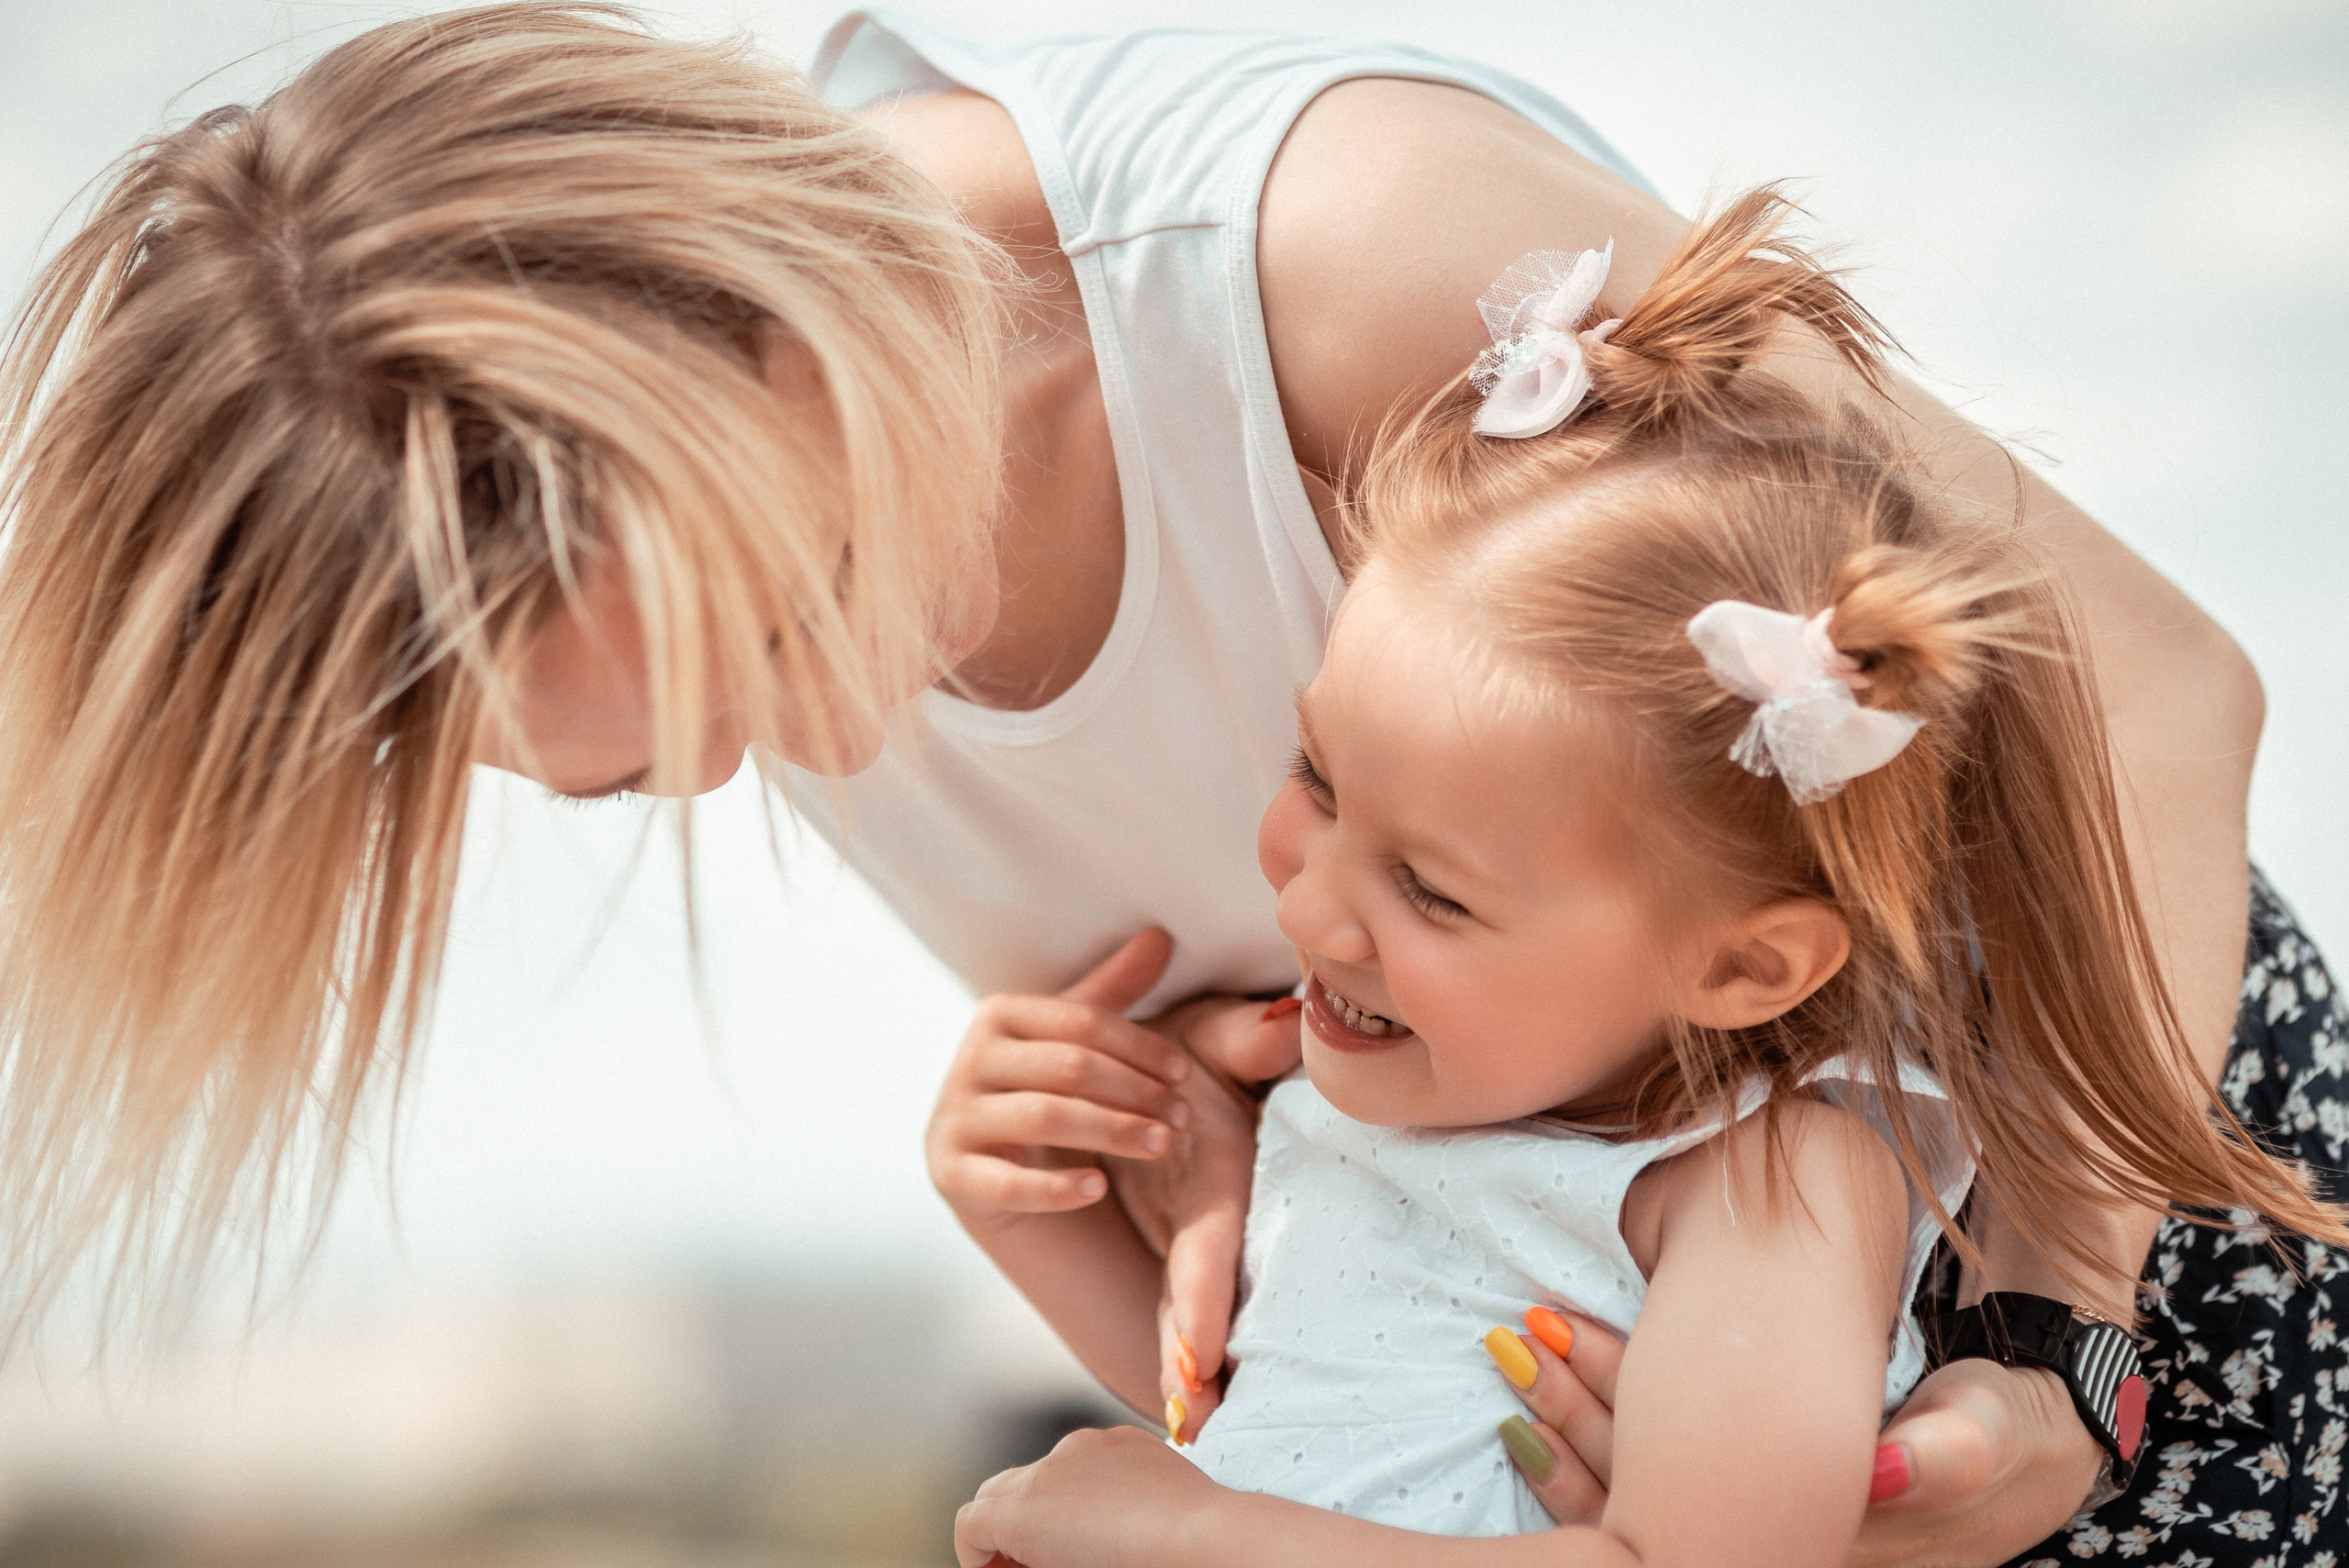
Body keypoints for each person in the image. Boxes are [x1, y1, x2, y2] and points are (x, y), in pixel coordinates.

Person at [0, 6, 2334, 1562]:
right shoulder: (722, 512)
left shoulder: (1328, 253)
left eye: (796, 615)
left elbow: (2143, 694)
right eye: (645, 782)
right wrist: (1177, 1147)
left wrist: (2052, 1353)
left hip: (2102, 1192)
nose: (830, 750)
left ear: (777, 323)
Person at [938, 188, 2349, 1565]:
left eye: (1433, 891)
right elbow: (1268, 1414)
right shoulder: (1386, 1100)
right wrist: (1017, 1207)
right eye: (1318, 779)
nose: (1306, 907)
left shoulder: (1771, 1184)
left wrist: (1189, 1532)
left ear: (1742, 965)